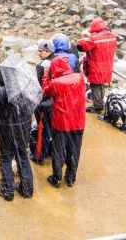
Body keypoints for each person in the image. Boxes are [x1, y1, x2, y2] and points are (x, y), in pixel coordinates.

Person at [0, 70, 34, 201]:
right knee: (23, 157)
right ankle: (27, 189)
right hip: (23, 128)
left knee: (6, 158)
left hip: (6, 130)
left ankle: (8, 189)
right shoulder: (25, 88)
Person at [42, 57, 86, 188]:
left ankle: (56, 178)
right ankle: (71, 178)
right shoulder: (80, 78)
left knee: (58, 150)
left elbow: (45, 92)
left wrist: (45, 77)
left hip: (62, 122)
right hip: (78, 121)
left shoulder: (56, 82)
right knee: (75, 150)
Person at [77, 17, 117, 114]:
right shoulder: (112, 36)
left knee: (95, 86)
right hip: (107, 66)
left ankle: (98, 107)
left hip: (96, 66)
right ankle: (100, 104)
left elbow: (81, 46)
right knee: (101, 85)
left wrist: (84, 36)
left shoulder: (94, 39)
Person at [31, 39, 54, 164]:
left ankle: (40, 155)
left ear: (47, 51)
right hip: (53, 101)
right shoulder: (57, 61)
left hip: (43, 101)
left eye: (40, 51)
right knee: (50, 128)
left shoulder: (42, 66)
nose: (38, 53)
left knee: (42, 129)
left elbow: (36, 84)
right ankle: (50, 151)